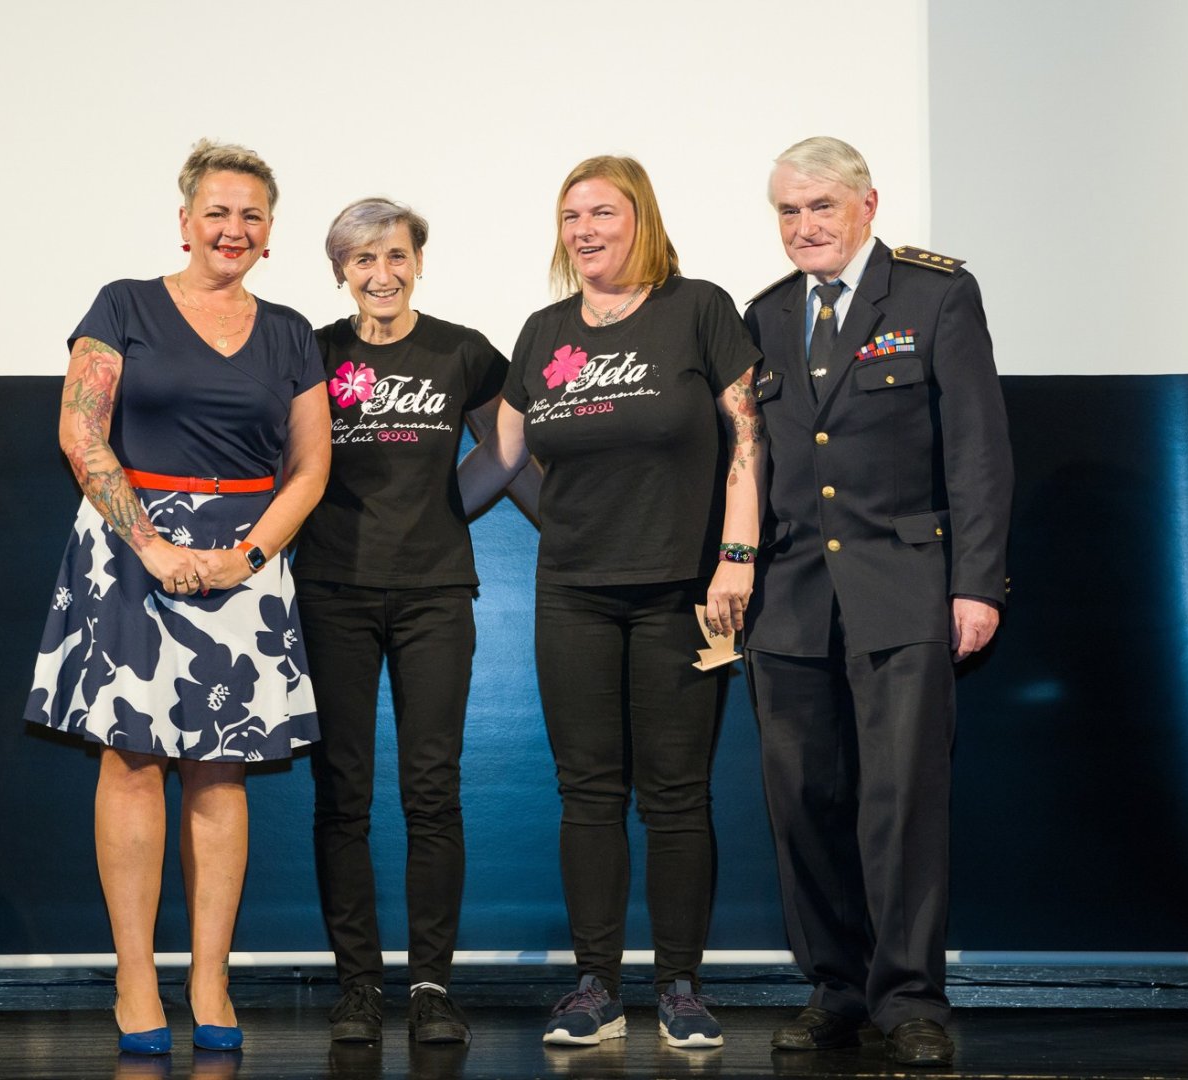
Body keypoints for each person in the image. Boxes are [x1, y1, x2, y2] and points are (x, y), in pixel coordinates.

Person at [25, 139, 331, 1056]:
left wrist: (249, 555)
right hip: (129, 552)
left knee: (221, 770)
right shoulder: (123, 304)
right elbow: (81, 434)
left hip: (246, 558)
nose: (234, 228)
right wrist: (152, 545)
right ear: (186, 220)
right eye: (218, 211)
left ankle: (210, 979)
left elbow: (311, 467)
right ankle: (134, 978)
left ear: (270, 233)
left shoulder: (291, 332)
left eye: (251, 215)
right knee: (131, 761)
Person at [460, 155, 765, 1049]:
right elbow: (500, 460)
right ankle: (595, 986)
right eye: (571, 216)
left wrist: (736, 557)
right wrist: (401, 515)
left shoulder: (698, 309)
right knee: (588, 792)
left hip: (685, 594)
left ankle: (681, 988)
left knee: (676, 795)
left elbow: (748, 441)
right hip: (573, 594)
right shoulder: (544, 330)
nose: (585, 229)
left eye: (603, 212)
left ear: (641, 220)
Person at [742, 135, 1012, 1068]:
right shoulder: (766, 313)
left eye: (821, 205)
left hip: (904, 589)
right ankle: (836, 987)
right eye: (788, 210)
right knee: (802, 802)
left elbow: (977, 450)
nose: (804, 225)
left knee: (900, 802)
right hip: (790, 599)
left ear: (868, 205)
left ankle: (908, 999)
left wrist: (976, 582)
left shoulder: (936, 296)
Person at [293, 197, 534, 1046]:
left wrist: (448, 506)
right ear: (341, 271)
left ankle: (432, 987)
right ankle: (358, 988)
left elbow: (508, 451)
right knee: (343, 793)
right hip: (333, 589)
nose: (382, 273)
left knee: (432, 791)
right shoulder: (314, 352)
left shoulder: (462, 351)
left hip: (435, 594)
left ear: (418, 261)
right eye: (363, 259)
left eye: (396, 255)